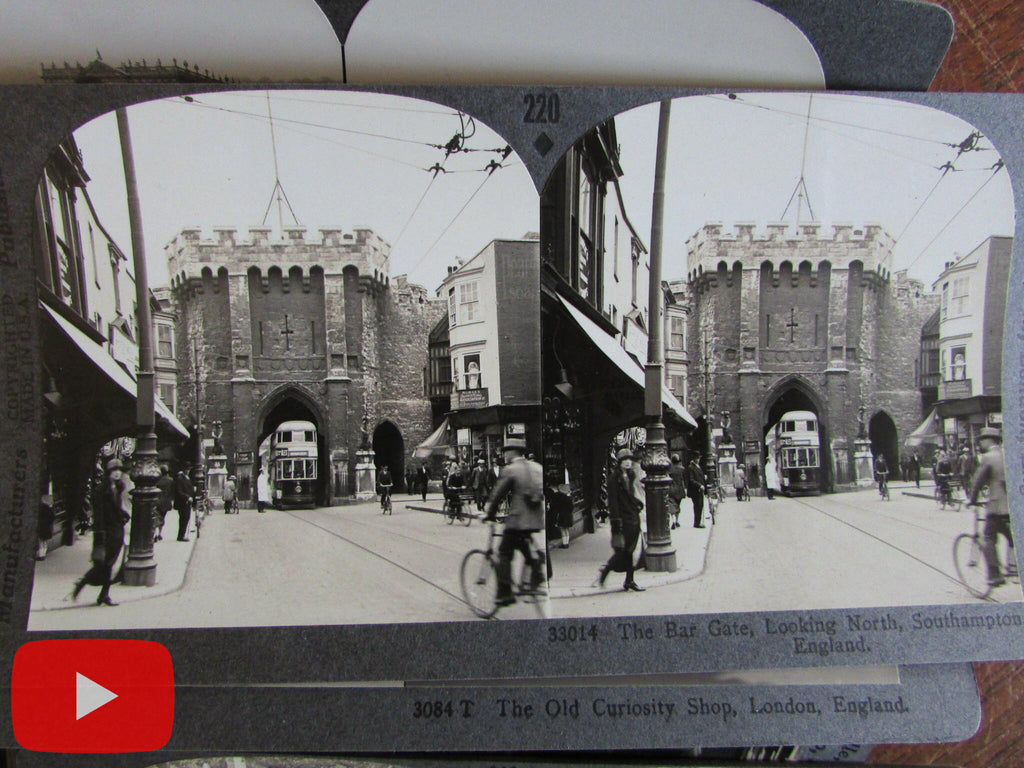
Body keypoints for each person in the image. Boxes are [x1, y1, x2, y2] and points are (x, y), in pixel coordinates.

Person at [484, 438, 546, 605]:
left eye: (506, 451)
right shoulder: (537, 468)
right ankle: (536, 577)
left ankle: (505, 593)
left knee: (504, 553)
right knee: (527, 550)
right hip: (535, 521)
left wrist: (489, 513)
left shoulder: (511, 470)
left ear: (512, 452)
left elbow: (498, 494)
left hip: (517, 522)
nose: (504, 454)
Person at [71, 458, 130, 606]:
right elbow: (99, 516)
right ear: (108, 473)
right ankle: (82, 584)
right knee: (103, 566)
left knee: (110, 565)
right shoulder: (100, 490)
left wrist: (123, 514)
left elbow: (116, 509)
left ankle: (103, 595)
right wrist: (100, 536)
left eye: (119, 471)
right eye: (114, 471)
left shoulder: (118, 487)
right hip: (106, 532)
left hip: (117, 531)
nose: (117, 473)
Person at [969, 427, 1013, 588]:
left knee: (988, 538)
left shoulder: (988, 457)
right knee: (1014, 538)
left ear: (989, 440)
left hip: (997, 508)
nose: (980, 443)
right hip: (1013, 507)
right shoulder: (1009, 455)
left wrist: (972, 500)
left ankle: (995, 575)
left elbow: (978, 481)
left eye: (982, 439)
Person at [596, 448, 645, 592]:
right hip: (623, 519)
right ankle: (606, 571)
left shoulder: (630, 475)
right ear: (619, 462)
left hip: (632, 516)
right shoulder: (614, 479)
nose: (628, 462)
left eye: (630, 459)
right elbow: (613, 502)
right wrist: (616, 522)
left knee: (630, 550)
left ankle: (629, 580)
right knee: (623, 551)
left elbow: (630, 495)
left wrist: (637, 503)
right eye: (625, 460)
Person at [684, 454, 706, 528]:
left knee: (700, 505)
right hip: (695, 490)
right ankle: (697, 523)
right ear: (694, 459)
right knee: (698, 506)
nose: (698, 460)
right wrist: (699, 485)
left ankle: (698, 522)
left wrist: (704, 477)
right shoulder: (691, 467)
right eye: (697, 458)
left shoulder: (697, 466)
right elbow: (691, 480)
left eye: (699, 458)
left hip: (699, 490)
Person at [173, 467, 195, 540]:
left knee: (186, 518)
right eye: (187, 469)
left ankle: (182, 535)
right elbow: (179, 491)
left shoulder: (187, 478)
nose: (188, 471)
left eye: (189, 469)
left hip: (187, 502)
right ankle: (181, 536)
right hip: (182, 502)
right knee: (183, 518)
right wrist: (187, 497)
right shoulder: (180, 478)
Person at [550, 483, 574, 548]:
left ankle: (564, 544)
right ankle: (567, 543)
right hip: (568, 516)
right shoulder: (569, 499)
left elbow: (556, 508)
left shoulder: (559, 499)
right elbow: (571, 507)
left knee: (562, 530)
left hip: (562, 516)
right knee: (566, 530)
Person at [667, 454, 686, 529]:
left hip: (671, 489)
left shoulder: (669, 470)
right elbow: (683, 480)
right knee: (678, 505)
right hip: (680, 490)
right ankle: (677, 520)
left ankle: (673, 520)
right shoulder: (682, 469)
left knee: (672, 506)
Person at [155, 464, 174, 540]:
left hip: (158, 500)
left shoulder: (157, 480)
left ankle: (156, 533)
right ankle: (160, 533)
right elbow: (172, 492)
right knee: (163, 517)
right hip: (166, 501)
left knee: (156, 517)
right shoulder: (170, 480)